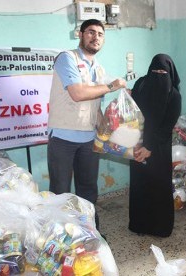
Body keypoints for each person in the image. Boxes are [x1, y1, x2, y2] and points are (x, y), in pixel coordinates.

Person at [47, 19, 126, 230]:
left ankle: (91, 235)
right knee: (60, 192)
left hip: (88, 140)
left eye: (100, 34)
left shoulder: (98, 68)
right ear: (81, 34)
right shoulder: (67, 58)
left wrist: (106, 132)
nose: (96, 37)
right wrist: (111, 87)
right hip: (63, 138)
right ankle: (59, 242)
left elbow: (95, 106)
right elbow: (78, 93)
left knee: (88, 190)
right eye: (91, 32)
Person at [128, 54, 182, 237]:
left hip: (159, 147)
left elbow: (167, 125)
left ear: (170, 73)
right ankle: (139, 225)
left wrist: (149, 148)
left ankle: (160, 227)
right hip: (137, 142)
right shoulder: (141, 85)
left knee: (158, 185)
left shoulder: (174, 96)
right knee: (139, 185)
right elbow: (131, 114)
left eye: (163, 72)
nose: (159, 75)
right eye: (155, 71)